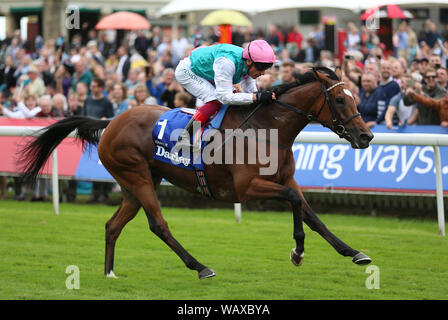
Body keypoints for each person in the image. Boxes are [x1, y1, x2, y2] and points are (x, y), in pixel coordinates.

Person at [173, 40, 277, 151]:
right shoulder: (227, 62)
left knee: (238, 98)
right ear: (249, 61)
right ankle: (184, 138)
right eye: (261, 68)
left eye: (266, 68)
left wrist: (261, 97)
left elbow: (252, 93)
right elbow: (225, 97)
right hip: (188, 71)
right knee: (215, 101)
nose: (263, 73)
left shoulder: (248, 64)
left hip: (207, 72)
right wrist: (256, 97)